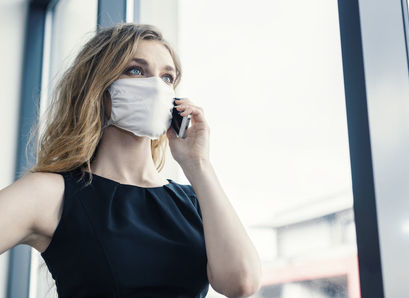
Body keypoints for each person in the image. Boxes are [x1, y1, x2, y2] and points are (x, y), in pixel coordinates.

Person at [0, 23, 262, 298]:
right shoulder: (51, 193)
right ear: (98, 86)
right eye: (136, 70)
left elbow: (241, 283)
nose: (156, 87)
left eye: (167, 78)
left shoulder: (193, 201)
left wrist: (198, 165)